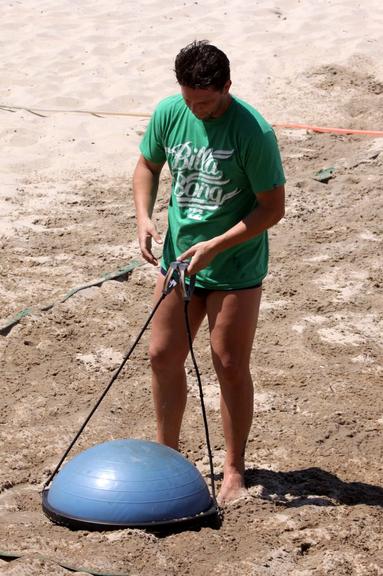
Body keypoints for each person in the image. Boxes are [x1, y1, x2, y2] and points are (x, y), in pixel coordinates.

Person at [133, 40, 285, 505]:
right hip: (179, 258)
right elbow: (147, 165)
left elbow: (272, 208)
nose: (194, 110)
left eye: (204, 102)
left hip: (235, 263)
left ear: (226, 88)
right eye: (187, 100)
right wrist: (144, 216)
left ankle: (234, 469)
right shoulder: (170, 112)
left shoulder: (253, 132)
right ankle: (168, 457)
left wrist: (217, 244)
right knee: (161, 355)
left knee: (229, 364)